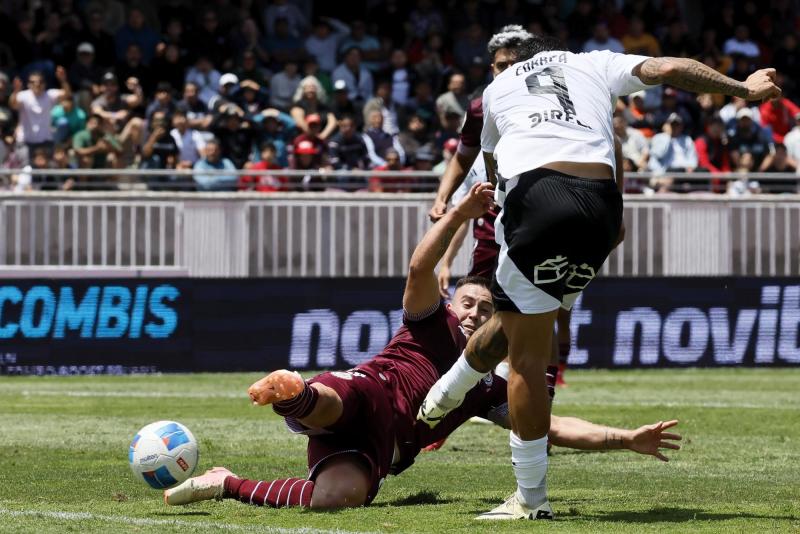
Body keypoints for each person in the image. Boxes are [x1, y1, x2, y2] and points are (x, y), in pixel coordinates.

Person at [421, 33, 780, 520]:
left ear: (515, 62)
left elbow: (491, 172)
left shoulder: (496, 89)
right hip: (602, 210)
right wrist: (743, 89)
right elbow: (669, 68)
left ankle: (530, 499)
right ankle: (446, 393)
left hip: (537, 198)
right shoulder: (592, 62)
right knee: (520, 320)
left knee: (524, 357)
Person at [163, 183, 681, 509]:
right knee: (334, 400)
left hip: (380, 448)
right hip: (367, 392)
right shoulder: (431, 322)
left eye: (487, 310)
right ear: (452, 303)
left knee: (337, 499)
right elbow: (419, 268)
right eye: (468, 303)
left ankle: (225, 482)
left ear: (499, 321)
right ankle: (293, 395)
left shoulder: (489, 387)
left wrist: (626, 438)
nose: (474, 313)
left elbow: (546, 426)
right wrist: (459, 214)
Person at [9, 67, 71, 160]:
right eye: (33, 82)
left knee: (47, 169)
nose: (37, 84)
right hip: (25, 141)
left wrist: (63, 80)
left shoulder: (50, 95)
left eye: (40, 81)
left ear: (45, 83)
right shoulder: (23, 95)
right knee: (25, 168)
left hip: (46, 141)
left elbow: (67, 95)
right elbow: (13, 105)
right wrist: (15, 91)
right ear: (28, 84)